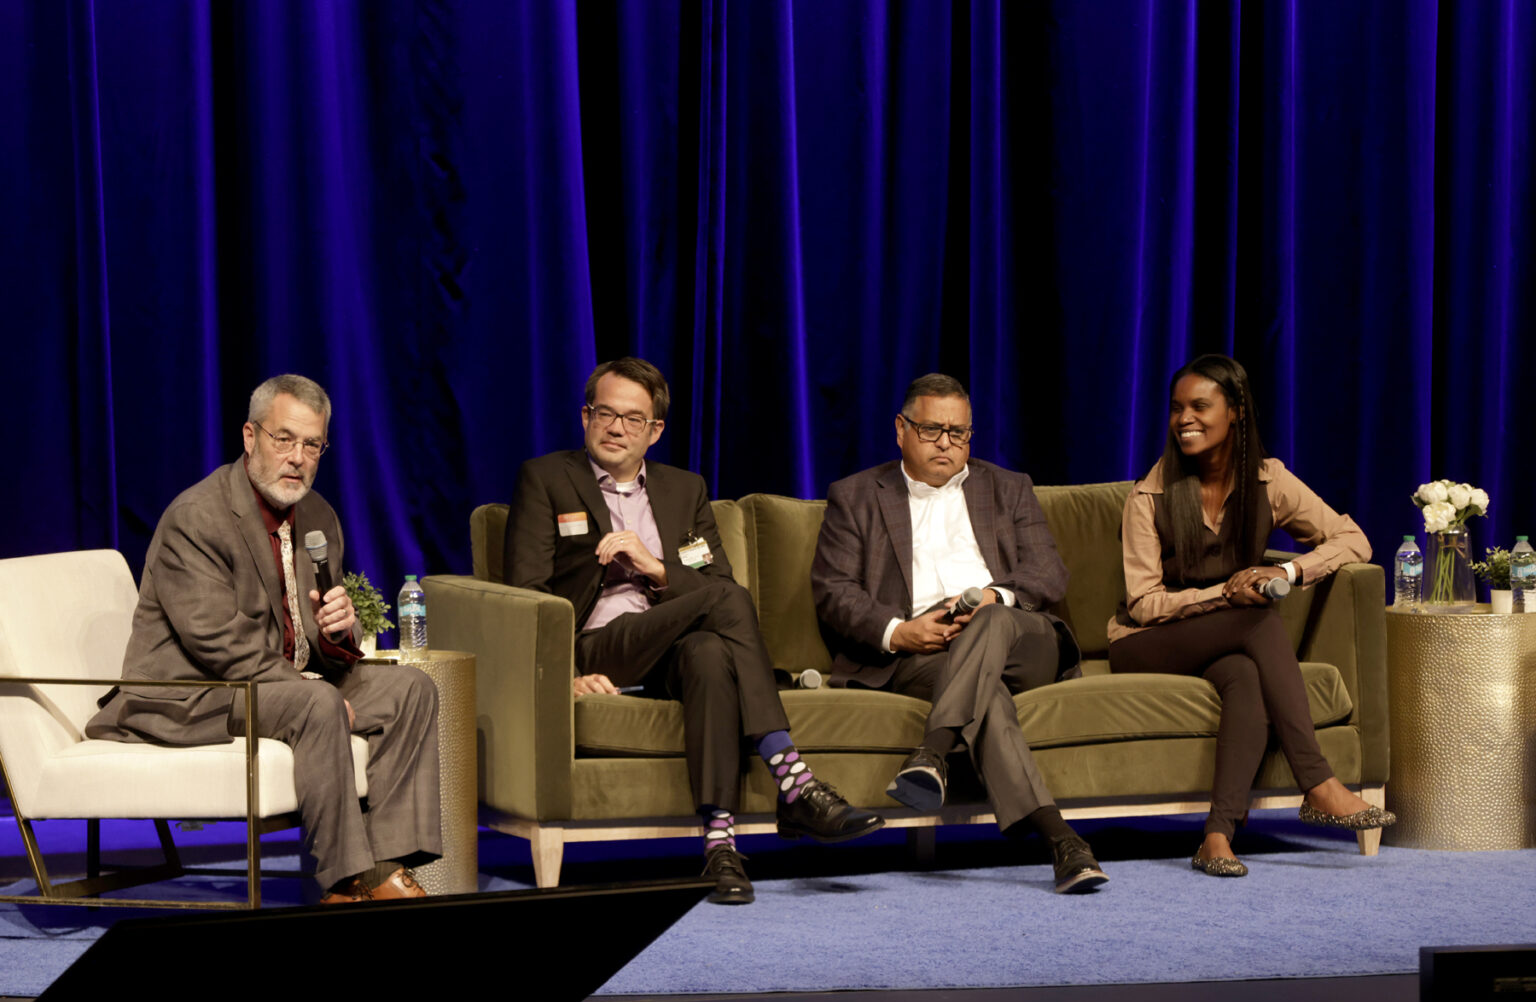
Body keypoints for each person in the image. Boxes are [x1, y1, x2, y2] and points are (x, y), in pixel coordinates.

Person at [505, 357, 884, 905]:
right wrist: (564, 675)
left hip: (675, 645)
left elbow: (715, 579)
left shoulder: (684, 489)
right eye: (605, 413)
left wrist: (653, 566)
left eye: (633, 419)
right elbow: (528, 593)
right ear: (585, 416)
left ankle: (720, 847)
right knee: (729, 602)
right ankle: (794, 780)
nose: (616, 428)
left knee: (709, 653)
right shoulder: (545, 479)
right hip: (600, 644)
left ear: (655, 431)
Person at [87, 375, 442, 903]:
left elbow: (317, 636)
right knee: (316, 701)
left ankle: (386, 865)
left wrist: (342, 631)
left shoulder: (318, 515)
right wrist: (311, 687)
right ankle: (344, 881)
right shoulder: (197, 518)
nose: (297, 458)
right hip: (195, 692)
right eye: (284, 439)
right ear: (250, 437)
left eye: (312, 445)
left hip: (282, 683)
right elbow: (217, 642)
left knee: (412, 689)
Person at [812, 373, 1108, 893]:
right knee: (984, 693)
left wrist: (994, 597)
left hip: (1020, 639)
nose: (947, 443)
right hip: (925, 654)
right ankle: (1063, 841)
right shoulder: (855, 496)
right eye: (931, 430)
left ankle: (931, 753)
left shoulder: (1009, 487)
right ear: (900, 429)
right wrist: (899, 632)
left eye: (959, 432)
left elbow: (1047, 573)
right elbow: (834, 591)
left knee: (989, 619)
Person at [1108, 353, 1395, 877]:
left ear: (1236, 411)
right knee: (1260, 618)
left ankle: (1216, 836)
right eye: (1176, 409)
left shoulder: (1269, 481)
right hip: (1145, 641)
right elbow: (1144, 603)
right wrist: (1226, 594)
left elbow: (1354, 539)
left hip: (1223, 640)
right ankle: (1319, 783)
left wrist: (1287, 576)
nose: (1184, 419)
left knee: (1245, 675)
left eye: (1199, 406)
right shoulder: (1148, 495)